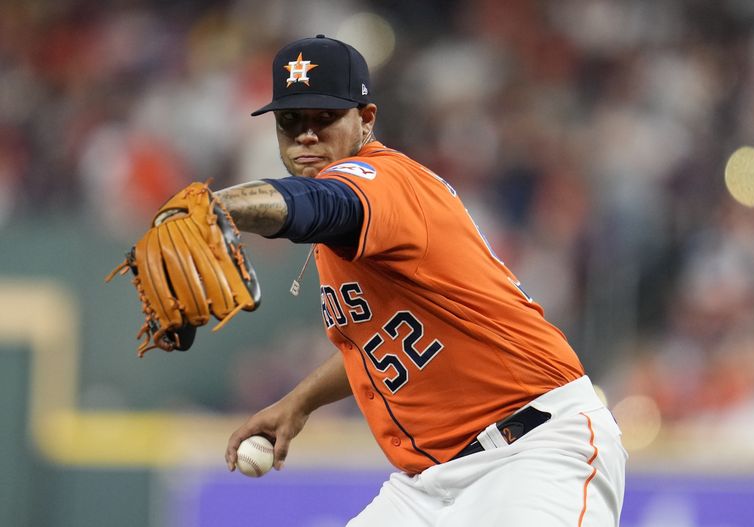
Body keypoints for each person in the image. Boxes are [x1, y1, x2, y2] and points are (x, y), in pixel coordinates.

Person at [218, 34, 627, 526]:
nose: (307, 135)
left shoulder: (384, 181)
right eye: (292, 121)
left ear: (366, 119)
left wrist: (214, 209)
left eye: (324, 118)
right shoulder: (348, 225)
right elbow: (380, 346)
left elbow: (313, 204)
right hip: (428, 485)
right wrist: (299, 403)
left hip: (534, 451)